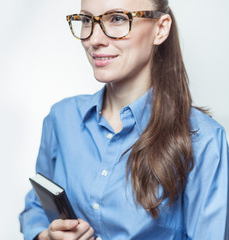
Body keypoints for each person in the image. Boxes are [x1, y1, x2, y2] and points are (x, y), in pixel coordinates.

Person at [19, 0, 229, 239]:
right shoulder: (62, 118)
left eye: (117, 18)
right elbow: (36, 206)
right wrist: (45, 236)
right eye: (87, 20)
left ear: (160, 28)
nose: (94, 39)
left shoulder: (204, 140)